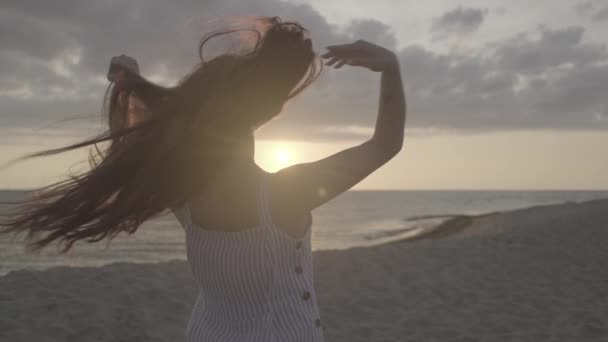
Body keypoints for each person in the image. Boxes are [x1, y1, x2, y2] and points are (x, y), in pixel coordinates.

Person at [0, 16, 405, 342]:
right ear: (258, 118)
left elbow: (139, 139)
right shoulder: (287, 193)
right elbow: (385, 145)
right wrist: (391, 68)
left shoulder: (182, 192)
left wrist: (127, 85)